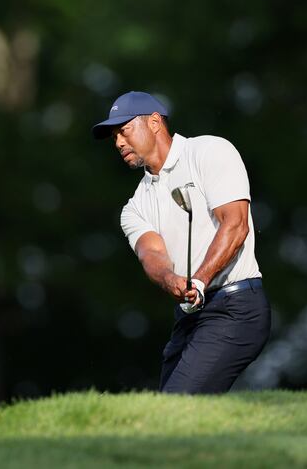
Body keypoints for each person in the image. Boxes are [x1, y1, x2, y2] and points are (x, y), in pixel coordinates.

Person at [92, 91, 270, 394]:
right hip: (190, 316)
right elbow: (151, 253)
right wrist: (171, 279)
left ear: (155, 122)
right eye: (114, 136)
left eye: (124, 130)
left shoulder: (209, 151)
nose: (118, 142)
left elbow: (235, 225)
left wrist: (199, 280)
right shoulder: (134, 207)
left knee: (176, 406)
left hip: (237, 307)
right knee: (171, 417)